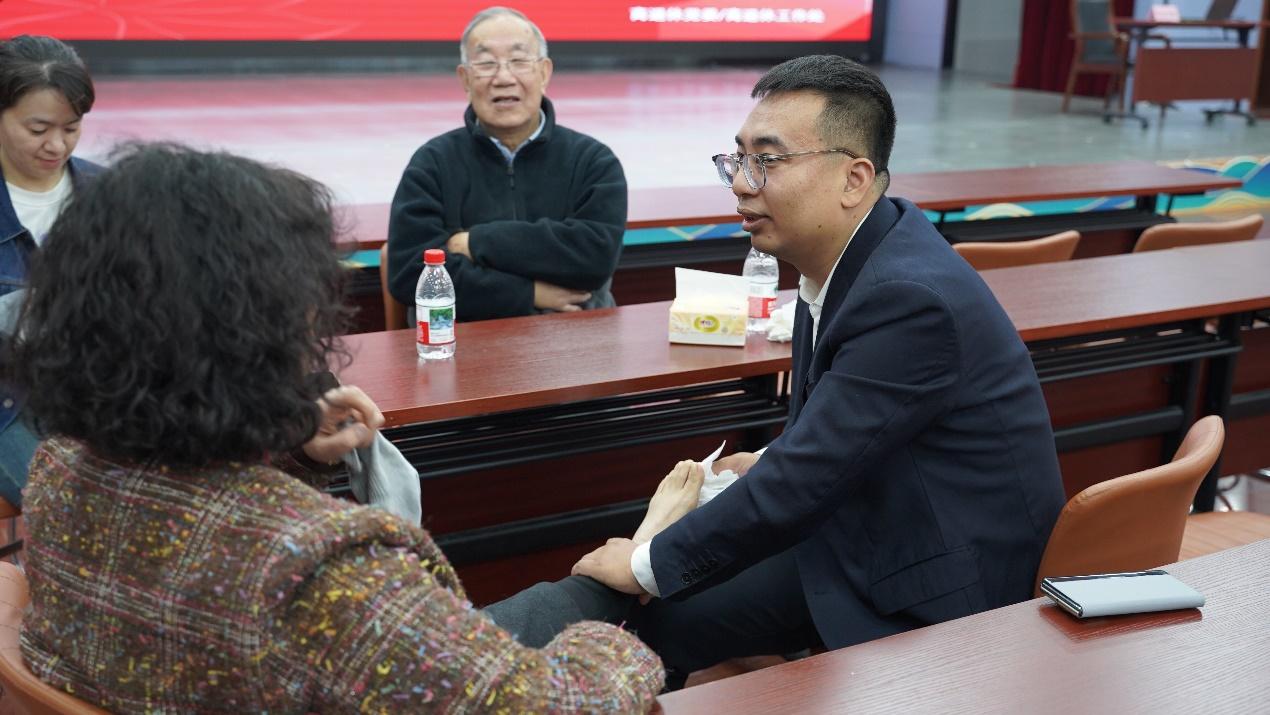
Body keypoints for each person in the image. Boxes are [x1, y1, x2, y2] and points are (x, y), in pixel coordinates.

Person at [6, 143, 663, 712]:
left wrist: (289, 446)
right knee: (603, 599)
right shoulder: (315, 570)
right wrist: (629, 618)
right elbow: (560, 704)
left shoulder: (60, 471)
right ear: (264, 331)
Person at [573, 55, 1067, 687]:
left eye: (767, 161)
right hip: (875, 524)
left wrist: (644, 564)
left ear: (854, 179)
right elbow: (843, 431)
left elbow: (803, 483)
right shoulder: (852, 255)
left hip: (931, 581)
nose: (741, 183)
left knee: (649, 617)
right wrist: (771, 457)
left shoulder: (907, 299)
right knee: (680, 587)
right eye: (737, 159)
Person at [387, 6, 627, 322]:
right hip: (464, 342)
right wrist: (528, 293)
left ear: (544, 73)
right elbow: (409, 273)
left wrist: (475, 242)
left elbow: (594, 258)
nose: (503, 78)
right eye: (486, 64)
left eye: (518, 61)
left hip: (571, 340)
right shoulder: (432, 163)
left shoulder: (593, 161)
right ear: (465, 79)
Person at [0, 35, 101, 508]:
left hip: (98, 396)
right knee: (78, 514)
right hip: (9, 405)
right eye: (38, 129)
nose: (56, 145)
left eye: (72, 128)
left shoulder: (109, 193)